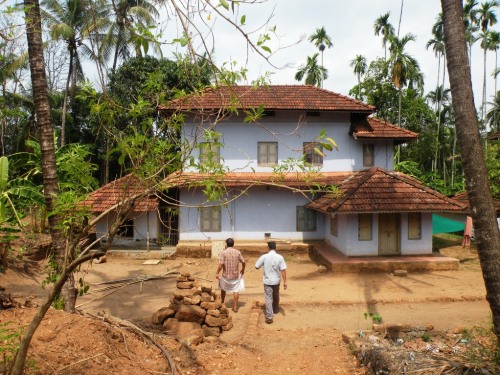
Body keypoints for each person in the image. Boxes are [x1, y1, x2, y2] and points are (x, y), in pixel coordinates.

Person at [255, 241, 287, 324]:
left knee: (268, 297)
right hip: (276, 281)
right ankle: (275, 309)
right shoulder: (280, 257)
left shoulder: (264, 257)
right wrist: (285, 282)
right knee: (276, 294)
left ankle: (269, 316)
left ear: (268, 248)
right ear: (275, 248)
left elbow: (256, 266)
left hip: (268, 280)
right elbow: (283, 270)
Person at [215, 238, 246, 312]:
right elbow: (244, 262)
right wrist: (243, 269)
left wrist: (217, 272)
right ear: (233, 244)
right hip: (235, 276)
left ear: (226, 244)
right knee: (236, 290)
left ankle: (222, 303)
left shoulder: (223, 252)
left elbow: (221, 264)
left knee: (223, 288)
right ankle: (235, 306)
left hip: (226, 276)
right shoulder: (237, 252)